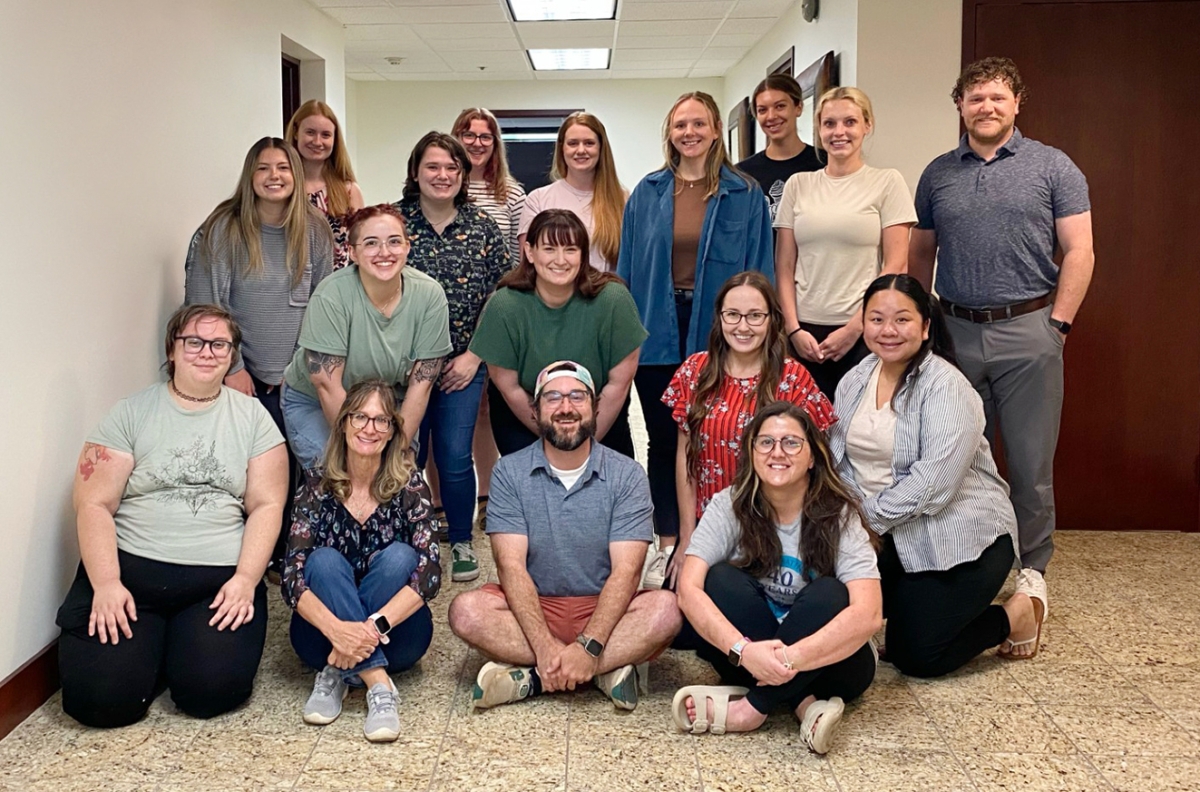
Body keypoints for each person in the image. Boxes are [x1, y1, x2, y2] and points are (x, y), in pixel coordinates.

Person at [909, 57, 1094, 616]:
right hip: (955, 333)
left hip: (1029, 331)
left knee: (1031, 466)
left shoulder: (1054, 167)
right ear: (960, 106)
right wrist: (921, 325)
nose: (985, 107)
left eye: (996, 97)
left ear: (1016, 103)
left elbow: (1080, 251)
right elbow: (921, 252)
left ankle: (1033, 570)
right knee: (958, 459)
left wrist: (1057, 325)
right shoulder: (938, 172)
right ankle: (969, 563)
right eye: (974, 98)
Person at [56, 304, 288, 727]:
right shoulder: (131, 412)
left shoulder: (255, 420)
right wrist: (105, 583)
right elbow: (93, 504)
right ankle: (153, 649)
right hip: (130, 578)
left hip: (216, 583)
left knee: (209, 695)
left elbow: (267, 506)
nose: (207, 352)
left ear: (232, 353)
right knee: (101, 702)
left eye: (220, 344)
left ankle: (170, 649)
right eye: (194, 341)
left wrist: (246, 580)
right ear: (172, 350)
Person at [830, 275, 1044, 673]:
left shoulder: (946, 386)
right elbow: (838, 462)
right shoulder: (855, 379)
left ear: (926, 326)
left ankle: (1018, 613)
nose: (888, 331)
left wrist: (862, 523)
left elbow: (934, 485)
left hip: (959, 538)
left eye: (902, 320)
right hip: (886, 531)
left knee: (917, 656)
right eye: (876, 319)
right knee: (824, 599)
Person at [447, 361, 682, 712]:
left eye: (577, 397)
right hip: (534, 606)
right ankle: (602, 672)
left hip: (606, 607)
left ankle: (536, 679)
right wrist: (544, 645)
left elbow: (627, 573)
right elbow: (511, 567)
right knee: (466, 612)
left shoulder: (627, 475)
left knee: (666, 611)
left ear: (596, 407)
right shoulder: (510, 472)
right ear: (535, 410)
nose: (566, 408)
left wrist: (588, 645)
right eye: (553, 397)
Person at [617, 91, 774, 586]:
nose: (689, 132)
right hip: (657, 329)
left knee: (723, 437)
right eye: (680, 124)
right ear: (669, 132)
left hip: (723, 329)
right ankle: (670, 544)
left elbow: (760, 267)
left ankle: (733, 537)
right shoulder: (648, 191)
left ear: (714, 132)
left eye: (699, 124)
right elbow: (627, 269)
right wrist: (626, 332)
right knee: (665, 440)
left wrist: (758, 331)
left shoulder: (743, 194)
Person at [671, 402, 880, 755]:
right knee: (719, 579)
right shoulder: (730, 504)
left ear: (813, 456)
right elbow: (687, 590)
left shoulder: (837, 513)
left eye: (791, 443)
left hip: (834, 666)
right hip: (749, 659)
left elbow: (870, 613)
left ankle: (751, 708)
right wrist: (745, 651)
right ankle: (804, 705)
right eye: (765, 443)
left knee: (831, 593)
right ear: (752, 454)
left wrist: (789, 660)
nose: (777, 452)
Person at [185, 136, 334, 562]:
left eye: (284, 168)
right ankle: (252, 553)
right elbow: (204, 304)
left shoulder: (315, 228)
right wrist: (231, 366)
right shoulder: (222, 229)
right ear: (250, 176)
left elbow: (326, 301)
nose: (274, 176)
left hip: (300, 374)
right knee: (251, 471)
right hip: (243, 376)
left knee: (302, 466)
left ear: (297, 174)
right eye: (264, 168)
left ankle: (293, 551)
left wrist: (308, 367)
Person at [283, 380, 441, 743]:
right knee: (321, 562)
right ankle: (379, 685)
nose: (369, 428)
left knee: (402, 556)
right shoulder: (316, 485)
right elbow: (292, 574)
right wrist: (338, 632)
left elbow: (430, 571)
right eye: (360, 417)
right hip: (322, 636)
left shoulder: (410, 485)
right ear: (343, 423)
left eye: (381, 421)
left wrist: (369, 630)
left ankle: (339, 672)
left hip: (396, 634)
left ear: (391, 433)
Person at [661, 271, 835, 589]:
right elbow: (685, 461)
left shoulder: (793, 378)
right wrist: (687, 537)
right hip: (709, 524)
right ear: (719, 318)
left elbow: (816, 465)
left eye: (755, 316)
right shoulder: (694, 372)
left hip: (775, 527)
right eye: (733, 315)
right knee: (683, 617)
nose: (743, 326)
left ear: (771, 319)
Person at [394, 132, 510, 584]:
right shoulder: (395, 222)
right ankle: (411, 538)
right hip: (402, 369)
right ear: (416, 172)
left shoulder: (481, 227)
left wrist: (475, 357)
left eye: (451, 168)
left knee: (454, 455)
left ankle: (460, 538)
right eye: (433, 167)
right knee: (405, 452)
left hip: (462, 366)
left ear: (463, 175)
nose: (442, 176)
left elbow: (503, 296)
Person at [280, 204, 452, 472]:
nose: (384, 252)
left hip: (388, 405)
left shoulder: (430, 296)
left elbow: (422, 385)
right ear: (352, 252)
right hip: (317, 401)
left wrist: (395, 450)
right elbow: (328, 386)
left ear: (407, 247)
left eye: (394, 241)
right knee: (340, 476)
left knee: (397, 476)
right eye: (371, 243)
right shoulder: (331, 296)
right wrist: (362, 457)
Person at [774, 86, 916, 400]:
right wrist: (793, 329)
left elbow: (896, 265)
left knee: (859, 433)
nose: (839, 132)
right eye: (829, 124)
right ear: (819, 130)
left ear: (867, 125)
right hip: (803, 335)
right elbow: (784, 266)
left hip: (864, 332)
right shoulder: (799, 184)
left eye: (850, 122)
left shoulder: (887, 182)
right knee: (804, 431)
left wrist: (856, 328)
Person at [472, 209, 646, 459]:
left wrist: (583, 443)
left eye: (571, 249)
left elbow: (619, 383)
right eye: (550, 249)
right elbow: (509, 387)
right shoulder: (504, 305)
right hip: (525, 418)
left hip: (599, 417)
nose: (561, 260)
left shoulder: (613, 300)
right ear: (530, 252)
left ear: (584, 255)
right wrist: (558, 442)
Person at [451, 107, 526, 536]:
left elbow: (516, 263)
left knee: (483, 412)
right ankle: (442, 502)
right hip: (442, 321)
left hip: (494, 316)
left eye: (486, 135)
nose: (477, 142)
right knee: (443, 409)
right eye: (468, 134)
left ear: (496, 143)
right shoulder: (443, 182)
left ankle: (486, 497)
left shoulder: (510, 193)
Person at [519, 112, 626, 273]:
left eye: (589, 143)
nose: (581, 150)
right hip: (553, 297)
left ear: (601, 148)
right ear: (562, 148)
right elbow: (528, 266)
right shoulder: (538, 200)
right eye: (573, 143)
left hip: (605, 295)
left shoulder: (623, 200)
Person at [286, 100, 365, 271]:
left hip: (338, 289)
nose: (317, 141)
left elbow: (360, 247)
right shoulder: (282, 187)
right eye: (310, 132)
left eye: (326, 135)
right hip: (288, 288)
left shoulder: (349, 191)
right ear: (295, 133)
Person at [737, 74, 824, 220]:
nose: (771, 116)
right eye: (762, 110)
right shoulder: (742, 174)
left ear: (798, 108)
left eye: (780, 106)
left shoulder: (825, 163)